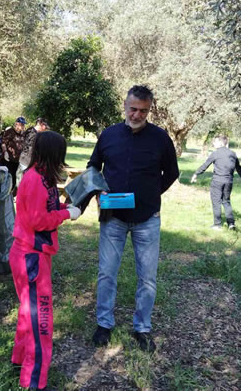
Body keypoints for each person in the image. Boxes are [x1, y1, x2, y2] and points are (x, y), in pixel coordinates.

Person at [87, 85, 179, 352]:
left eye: (143, 111)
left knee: (147, 277)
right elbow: (93, 166)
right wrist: (99, 190)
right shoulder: (109, 135)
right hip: (113, 217)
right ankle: (104, 324)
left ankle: (142, 328)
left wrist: (151, 194)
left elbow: (172, 172)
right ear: (125, 106)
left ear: (149, 110)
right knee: (107, 273)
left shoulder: (160, 138)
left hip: (147, 219)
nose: (137, 115)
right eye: (133, 109)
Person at [10, 131, 81, 390]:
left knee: (27, 312)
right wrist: (67, 216)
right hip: (31, 257)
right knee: (41, 321)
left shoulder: (43, 177)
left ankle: (19, 360)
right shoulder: (35, 180)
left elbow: (46, 208)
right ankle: (34, 381)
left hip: (33, 253)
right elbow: (39, 221)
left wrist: (65, 208)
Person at [191, 135, 241, 230]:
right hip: (229, 181)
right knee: (226, 201)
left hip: (217, 181)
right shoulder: (233, 154)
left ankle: (217, 225)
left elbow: (205, 165)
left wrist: (196, 174)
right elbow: (239, 168)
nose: (213, 143)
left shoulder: (215, 153)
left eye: (215, 142)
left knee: (216, 202)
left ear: (221, 143)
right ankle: (231, 224)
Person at [17, 117, 49, 188]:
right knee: (22, 184)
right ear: (40, 124)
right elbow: (30, 149)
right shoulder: (32, 134)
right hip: (26, 162)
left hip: (28, 162)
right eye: (45, 126)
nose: (45, 129)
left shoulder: (33, 132)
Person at [0, 117, 26, 192]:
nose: (23, 126)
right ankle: (4, 191)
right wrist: (5, 152)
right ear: (17, 124)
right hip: (8, 159)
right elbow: (3, 143)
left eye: (23, 125)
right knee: (8, 176)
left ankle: (11, 192)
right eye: (21, 124)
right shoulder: (10, 131)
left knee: (14, 177)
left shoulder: (22, 134)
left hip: (17, 160)